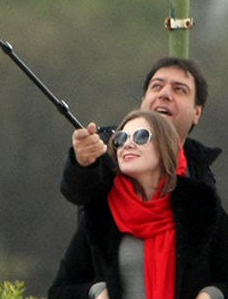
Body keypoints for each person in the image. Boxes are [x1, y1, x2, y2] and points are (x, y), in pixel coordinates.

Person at [46, 110, 228, 299]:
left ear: (165, 147)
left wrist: (210, 297)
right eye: (121, 139)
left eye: (141, 136)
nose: (128, 144)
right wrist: (97, 292)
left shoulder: (200, 206)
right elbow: (58, 297)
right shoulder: (101, 211)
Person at [60, 56, 218, 205]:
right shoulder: (110, 144)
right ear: (143, 101)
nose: (164, 94)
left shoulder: (200, 172)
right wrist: (82, 162)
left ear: (197, 112)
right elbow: (77, 191)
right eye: (157, 86)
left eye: (179, 89)